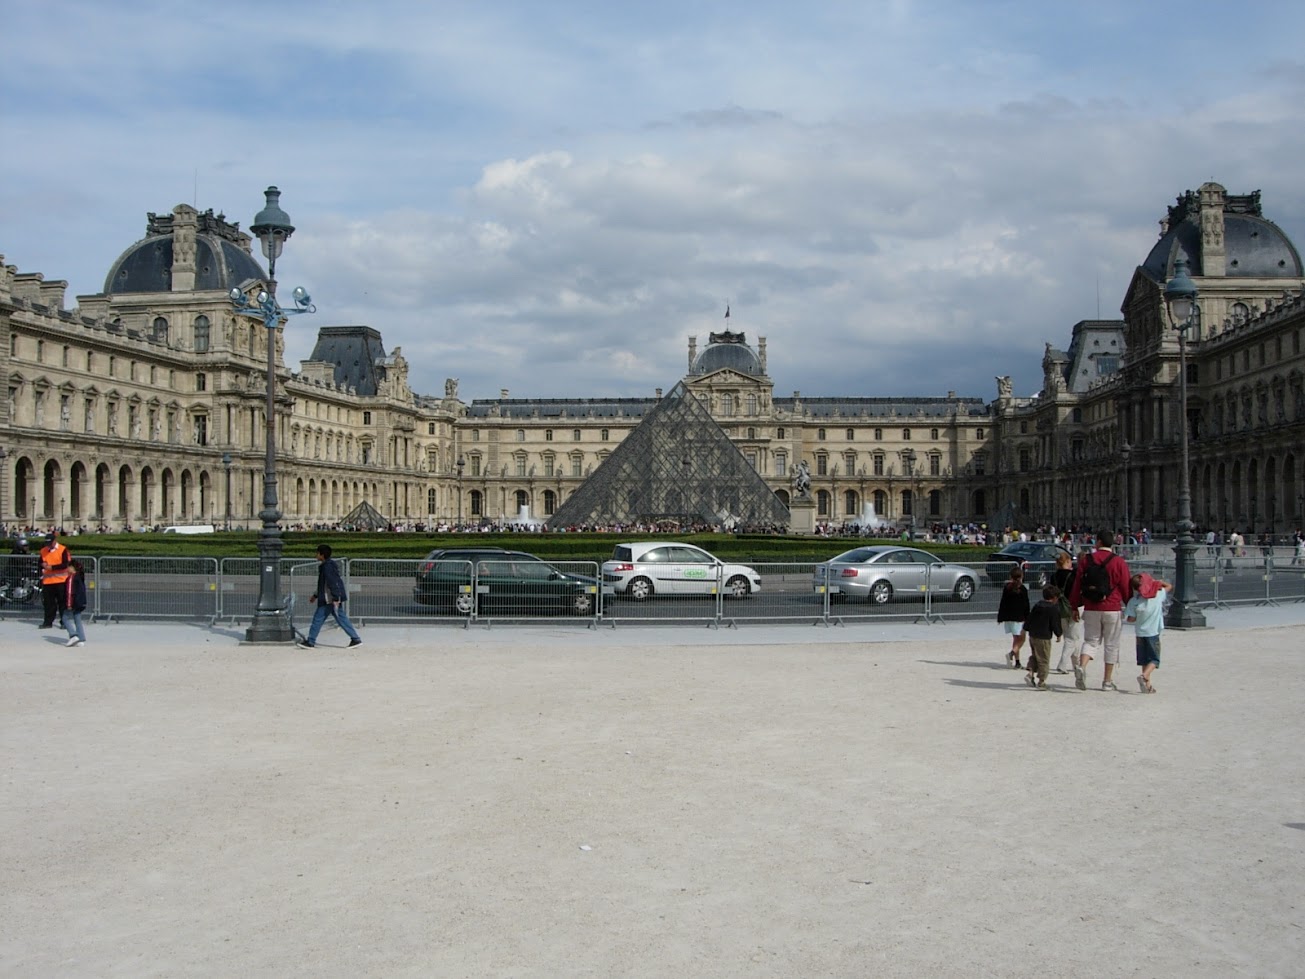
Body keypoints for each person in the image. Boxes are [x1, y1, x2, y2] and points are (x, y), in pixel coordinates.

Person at [1068, 530, 1133, 692]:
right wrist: (1131, 608)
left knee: (1090, 641)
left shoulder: (1087, 560)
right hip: (1112, 608)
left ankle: (1082, 666)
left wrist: (1074, 606)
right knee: (1111, 645)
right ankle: (1107, 682)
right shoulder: (1119, 562)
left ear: (1098, 542)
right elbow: (1126, 588)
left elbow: (1077, 585)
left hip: (1091, 607)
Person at [300, 544, 362, 648]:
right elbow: (326, 583)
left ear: (322, 555)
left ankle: (311, 641)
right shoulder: (329, 565)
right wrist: (315, 595)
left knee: (318, 619)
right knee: (341, 618)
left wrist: (335, 597)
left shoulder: (326, 567)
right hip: (331, 598)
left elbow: (331, 582)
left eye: (317, 553)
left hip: (328, 599)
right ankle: (355, 638)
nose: (316, 555)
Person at [1124, 574, 1171, 694]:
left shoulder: (1134, 601)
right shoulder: (1157, 596)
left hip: (1140, 633)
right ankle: (1144, 676)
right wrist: (1157, 582)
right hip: (1153, 632)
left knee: (1144, 660)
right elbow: (1169, 586)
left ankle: (1147, 685)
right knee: (1154, 659)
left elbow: (1131, 619)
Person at [1022, 584, 1064, 689]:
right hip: (1044, 637)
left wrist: (1025, 628)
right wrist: (1058, 634)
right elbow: (1055, 623)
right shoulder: (1053, 609)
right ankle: (1041, 682)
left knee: (1035, 656)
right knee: (1044, 659)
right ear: (1054, 598)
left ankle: (1030, 673)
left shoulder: (1038, 605)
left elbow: (1030, 618)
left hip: (1033, 635)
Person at [1050, 550, 1080, 674]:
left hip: (1059, 607)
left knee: (1071, 636)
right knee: (1072, 638)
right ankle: (1062, 664)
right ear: (1067, 561)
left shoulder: (1054, 576)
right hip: (1073, 606)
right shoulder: (1072, 575)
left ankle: (1076, 664)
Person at [997, 566, 1030, 669]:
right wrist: (1028, 617)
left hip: (1009, 618)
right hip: (1019, 618)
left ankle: (1017, 662)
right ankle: (1012, 654)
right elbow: (1026, 605)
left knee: (1015, 639)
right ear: (1021, 576)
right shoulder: (1022, 589)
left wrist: (1000, 617)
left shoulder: (1007, 588)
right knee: (1021, 639)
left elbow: (1003, 603)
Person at [38, 532, 72, 630]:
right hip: (48, 581)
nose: (48, 545)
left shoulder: (62, 549)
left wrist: (52, 567)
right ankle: (48, 622)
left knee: (62, 603)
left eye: (50, 543)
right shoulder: (43, 550)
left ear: (54, 541)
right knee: (48, 604)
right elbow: (40, 562)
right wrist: (42, 567)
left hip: (61, 580)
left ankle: (64, 622)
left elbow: (65, 564)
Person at [61, 559, 88, 647]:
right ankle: (81, 638)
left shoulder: (71, 578)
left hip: (73, 602)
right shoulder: (80, 576)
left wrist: (68, 604)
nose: (67, 569)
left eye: (68, 567)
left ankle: (73, 635)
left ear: (72, 568)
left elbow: (69, 592)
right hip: (80, 601)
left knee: (64, 618)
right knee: (77, 619)